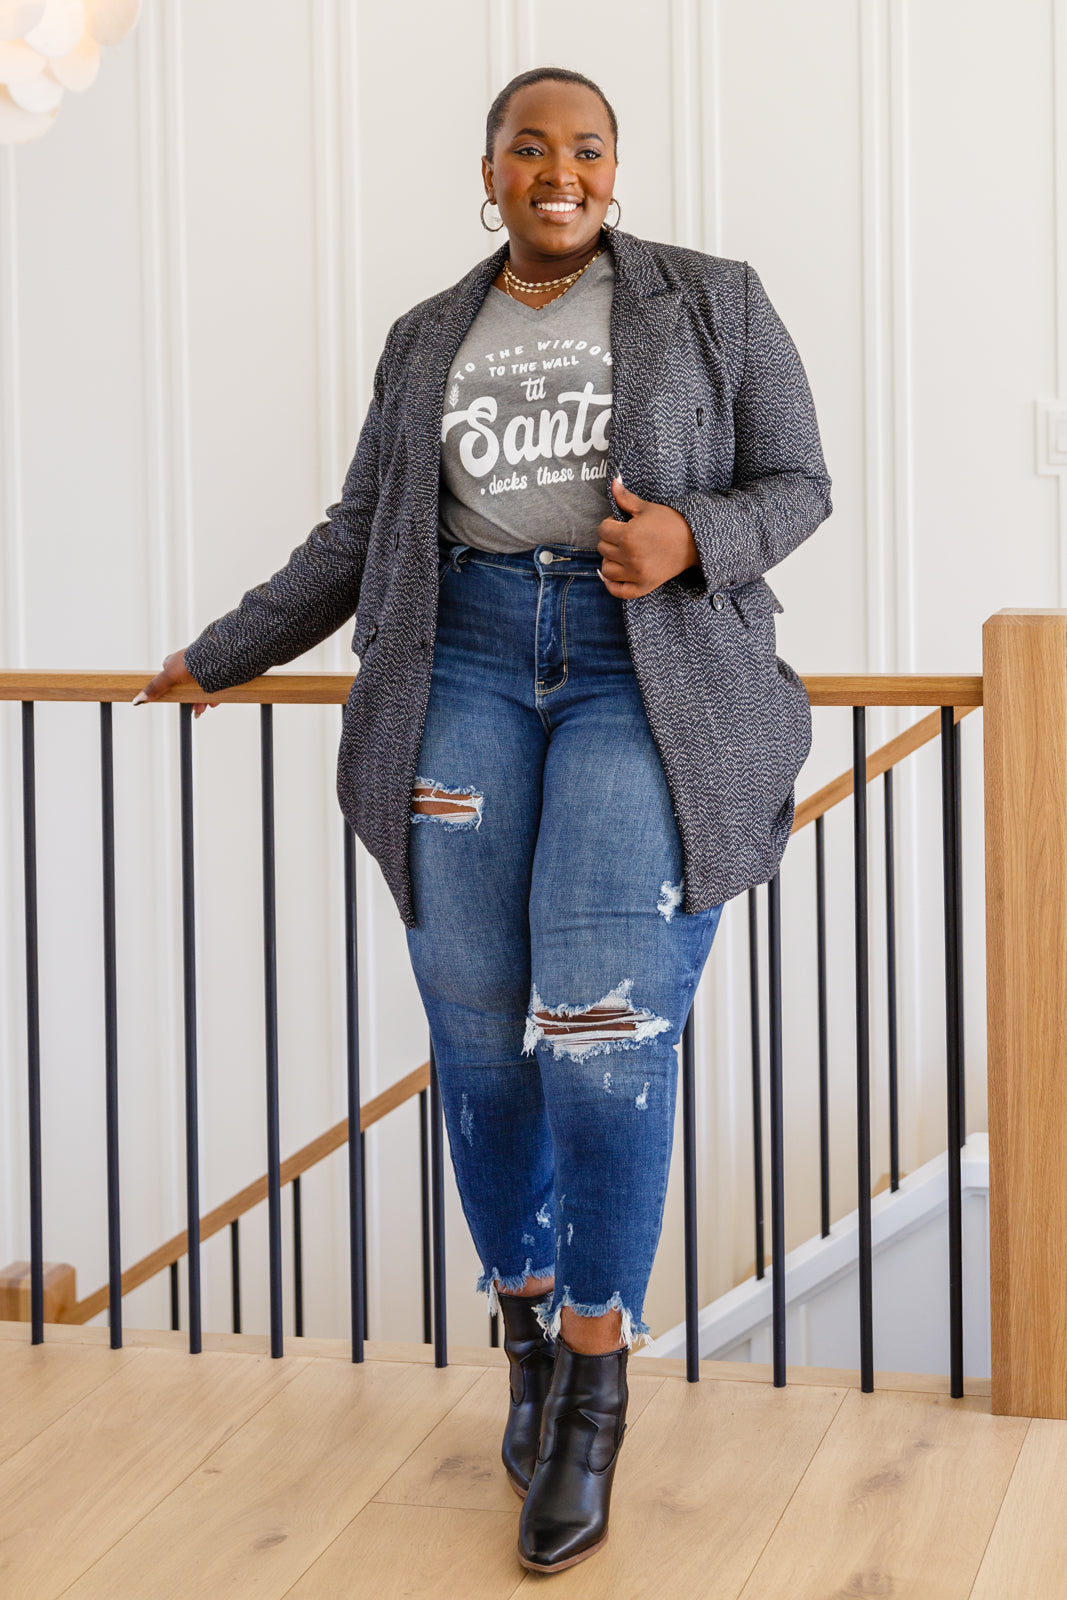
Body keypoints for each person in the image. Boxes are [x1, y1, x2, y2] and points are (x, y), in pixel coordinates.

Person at [135, 65, 832, 1576]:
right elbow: (359, 530)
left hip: (636, 672)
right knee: (475, 1028)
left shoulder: (713, 300)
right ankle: (523, 1325)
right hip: (460, 668)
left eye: (586, 147)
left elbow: (801, 481)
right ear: (491, 171)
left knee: (598, 1025)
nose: (558, 170)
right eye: (530, 147)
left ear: (615, 169)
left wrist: (692, 536)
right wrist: (228, 649)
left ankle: (595, 1379)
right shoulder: (424, 338)